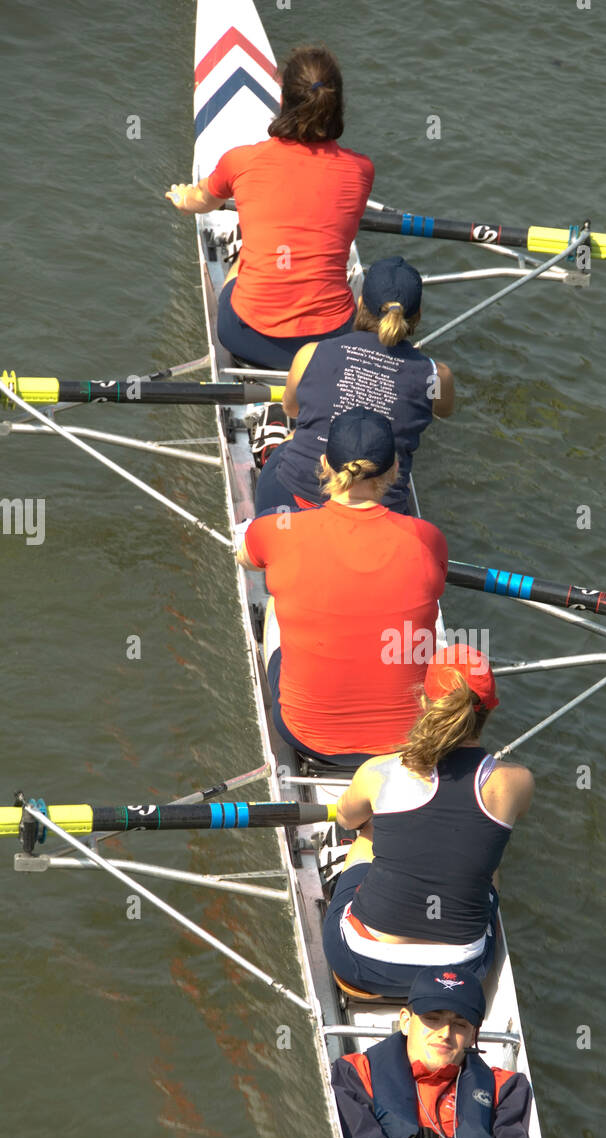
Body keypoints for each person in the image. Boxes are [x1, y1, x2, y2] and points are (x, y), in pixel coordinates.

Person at [235, 407, 447, 766]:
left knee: (275, 593)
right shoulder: (428, 538)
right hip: (407, 739)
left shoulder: (276, 530)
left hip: (304, 732)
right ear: (395, 470)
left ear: (324, 465)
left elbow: (245, 558)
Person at [323, 645, 534, 993]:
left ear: (424, 703)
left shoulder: (380, 772)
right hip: (463, 970)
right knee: (489, 853)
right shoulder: (518, 782)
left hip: (361, 960)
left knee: (368, 834)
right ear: (490, 711)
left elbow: (346, 817)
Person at [165, 45, 373, 368]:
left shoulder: (241, 161)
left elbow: (201, 201)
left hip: (246, 336)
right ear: (337, 106)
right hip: (331, 341)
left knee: (249, 253)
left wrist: (183, 199)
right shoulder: (362, 171)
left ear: (282, 101)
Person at [254, 256, 455, 516]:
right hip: (381, 512)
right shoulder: (435, 376)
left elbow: (292, 410)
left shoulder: (311, 353)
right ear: (417, 316)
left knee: (294, 436)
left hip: (289, 496)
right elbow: (442, 410)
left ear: (359, 302)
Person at [331, 966, 532, 1138]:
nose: (445, 1033)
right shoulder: (355, 1074)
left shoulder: (507, 1089)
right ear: (406, 1021)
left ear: (473, 1036)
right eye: (432, 1018)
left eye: (459, 1024)